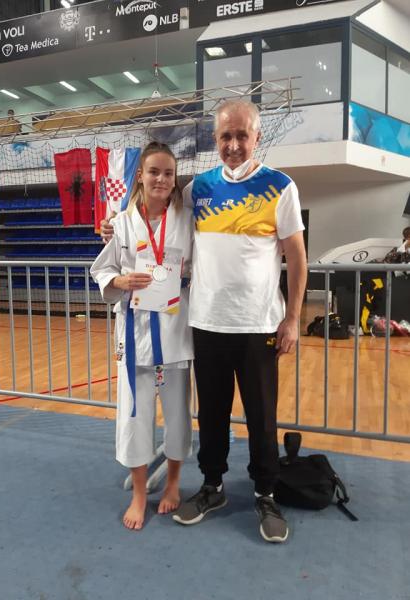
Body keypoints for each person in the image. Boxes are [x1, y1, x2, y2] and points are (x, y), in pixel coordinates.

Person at [101, 100, 307, 543]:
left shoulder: (280, 186)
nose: (233, 145)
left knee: (261, 417)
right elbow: (155, 211)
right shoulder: (199, 189)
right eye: (225, 136)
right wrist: (114, 226)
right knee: (211, 415)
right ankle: (212, 486)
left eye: (242, 135)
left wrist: (292, 318)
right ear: (215, 139)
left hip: (258, 324)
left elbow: (296, 257)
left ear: (256, 137)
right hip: (207, 323)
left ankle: (266, 492)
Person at [91, 142, 194, 531]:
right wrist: (120, 281)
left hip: (175, 331)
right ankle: (138, 493)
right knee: (134, 416)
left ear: (175, 178)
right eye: (154, 172)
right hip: (134, 334)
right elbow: (102, 271)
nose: (161, 179)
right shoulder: (120, 223)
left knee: (178, 415)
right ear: (140, 175)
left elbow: (203, 263)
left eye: (168, 173)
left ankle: (173, 484)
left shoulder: (187, 219)